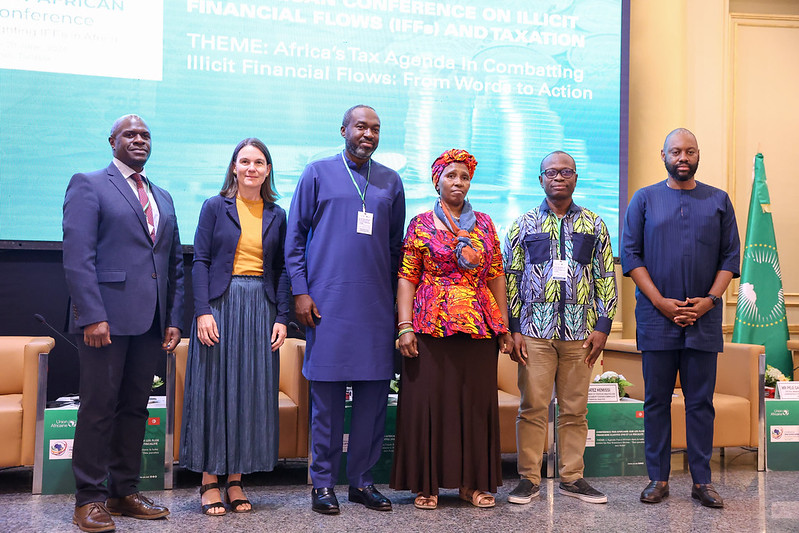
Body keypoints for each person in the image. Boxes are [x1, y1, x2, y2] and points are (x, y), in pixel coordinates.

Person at [62, 115, 184, 532]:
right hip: (106, 321)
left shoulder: (162, 196)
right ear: (112, 141)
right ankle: (89, 499)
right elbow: (78, 257)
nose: (139, 139)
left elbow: (173, 264)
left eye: (145, 135)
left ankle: (123, 491)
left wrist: (173, 318)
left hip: (151, 322)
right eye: (130, 134)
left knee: (135, 408)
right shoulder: (89, 184)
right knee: (99, 408)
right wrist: (92, 314)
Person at [285, 105, 406, 515]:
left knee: (372, 402)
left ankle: (362, 483)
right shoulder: (316, 173)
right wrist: (300, 292)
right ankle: (323, 484)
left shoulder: (391, 181)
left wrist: (395, 306)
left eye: (375, 128)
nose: (368, 134)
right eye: (361, 126)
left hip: (375, 308)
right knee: (327, 403)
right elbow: (295, 238)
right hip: (326, 305)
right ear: (343, 130)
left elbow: (394, 248)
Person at [621, 128, 740, 508]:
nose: (683, 157)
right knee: (656, 401)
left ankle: (702, 481)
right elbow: (631, 256)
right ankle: (657, 478)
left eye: (689, 151)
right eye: (675, 151)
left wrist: (709, 301)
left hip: (704, 319)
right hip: (656, 318)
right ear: (664, 156)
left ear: (698, 155)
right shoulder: (644, 199)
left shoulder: (718, 200)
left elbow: (730, 258)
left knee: (700, 402)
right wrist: (661, 303)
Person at [390, 149, 512, 510]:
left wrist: (503, 326)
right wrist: (404, 327)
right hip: (429, 326)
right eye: (451, 176)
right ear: (437, 181)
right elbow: (407, 277)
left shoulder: (485, 224)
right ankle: (426, 484)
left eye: (464, 177)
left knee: (474, 405)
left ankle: (470, 484)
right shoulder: (420, 223)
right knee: (428, 403)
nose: (458, 182)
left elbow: (496, 276)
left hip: (478, 328)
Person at [179, 138, 290, 515]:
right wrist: (202, 311)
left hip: (261, 307)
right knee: (214, 390)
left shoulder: (277, 213)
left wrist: (281, 317)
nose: (251, 168)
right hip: (220, 305)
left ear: (268, 170)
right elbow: (200, 261)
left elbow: (282, 269)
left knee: (250, 392)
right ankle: (209, 480)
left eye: (259, 162)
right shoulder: (215, 206)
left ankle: (236, 480)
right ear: (234, 167)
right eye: (244, 161)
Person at [503, 150, 617, 505]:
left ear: (576, 178)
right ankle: (528, 479)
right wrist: (514, 328)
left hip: (580, 334)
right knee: (532, 407)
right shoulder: (522, 225)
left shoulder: (595, 225)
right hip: (533, 334)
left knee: (575, 409)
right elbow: (511, 279)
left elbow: (606, 277)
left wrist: (603, 325)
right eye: (551, 172)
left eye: (566, 172)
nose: (558, 177)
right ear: (540, 179)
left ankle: (572, 477)